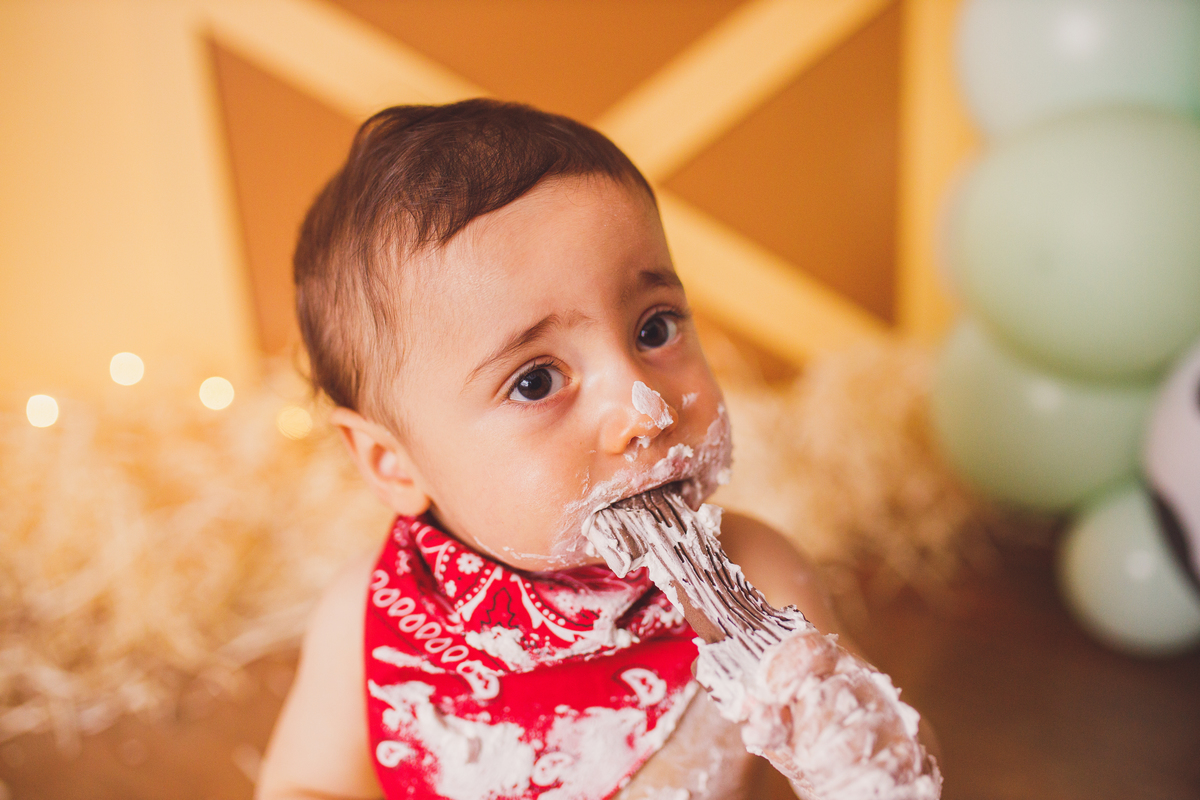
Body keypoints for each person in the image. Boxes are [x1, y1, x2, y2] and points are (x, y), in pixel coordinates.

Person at [256, 99, 939, 800]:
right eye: (536, 380)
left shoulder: (757, 571)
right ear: (391, 463)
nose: (642, 410)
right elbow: (306, 786)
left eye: (654, 329)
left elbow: (873, 743)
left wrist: (864, 755)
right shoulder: (371, 619)